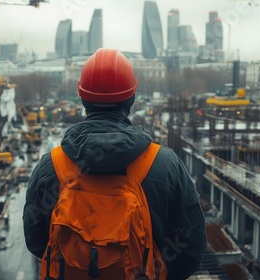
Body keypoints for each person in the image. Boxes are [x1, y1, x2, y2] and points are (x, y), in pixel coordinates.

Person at [23, 48, 206, 279]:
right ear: (131, 97)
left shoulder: (51, 166)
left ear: (82, 97)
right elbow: (191, 248)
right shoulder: (165, 164)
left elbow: (36, 240)